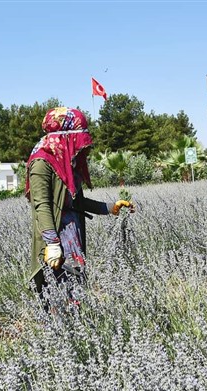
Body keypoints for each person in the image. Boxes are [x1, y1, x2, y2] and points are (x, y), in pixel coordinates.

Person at [25, 107, 133, 298]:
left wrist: (110, 207)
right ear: (65, 136)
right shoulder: (42, 162)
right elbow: (41, 205)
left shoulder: (67, 163)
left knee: (75, 290)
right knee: (57, 293)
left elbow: (77, 202)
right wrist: (52, 243)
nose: (82, 147)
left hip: (72, 235)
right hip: (56, 239)